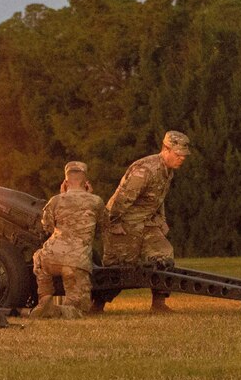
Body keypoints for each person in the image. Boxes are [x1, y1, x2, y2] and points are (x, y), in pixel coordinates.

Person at [95, 130, 190, 314]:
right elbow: (122, 199)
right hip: (123, 222)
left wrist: (161, 222)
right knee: (118, 268)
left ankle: (158, 304)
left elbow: (157, 199)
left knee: (163, 256)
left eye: (184, 156)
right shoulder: (146, 170)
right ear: (166, 149)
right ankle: (97, 306)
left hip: (146, 223)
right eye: (178, 155)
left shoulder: (167, 171)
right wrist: (114, 223)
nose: (182, 159)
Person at [30, 161, 108, 319]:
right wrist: (90, 195)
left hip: (50, 257)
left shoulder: (55, 201)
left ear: (65, 182)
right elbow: (105, 225)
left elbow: (47, 227)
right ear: (86, 183)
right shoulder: (96, 201)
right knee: (78, 308)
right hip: (76, 261)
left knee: (38, 256)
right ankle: (60, 310)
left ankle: (45, 299)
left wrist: (61, 195)